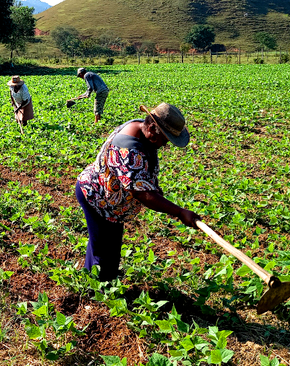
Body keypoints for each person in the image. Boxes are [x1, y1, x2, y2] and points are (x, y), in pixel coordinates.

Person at [76, 102, 201, 282]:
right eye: (164, 139)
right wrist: (180, 212)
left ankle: (97, 279)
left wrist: (152, 184)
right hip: (97, 197)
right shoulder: (127, 150)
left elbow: (141, 173)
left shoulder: (139, 127)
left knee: (105, 245)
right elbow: (143, 194)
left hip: (111, 202)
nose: (164, 145)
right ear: (152, 128)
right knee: (104, 252)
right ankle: (98, 291)